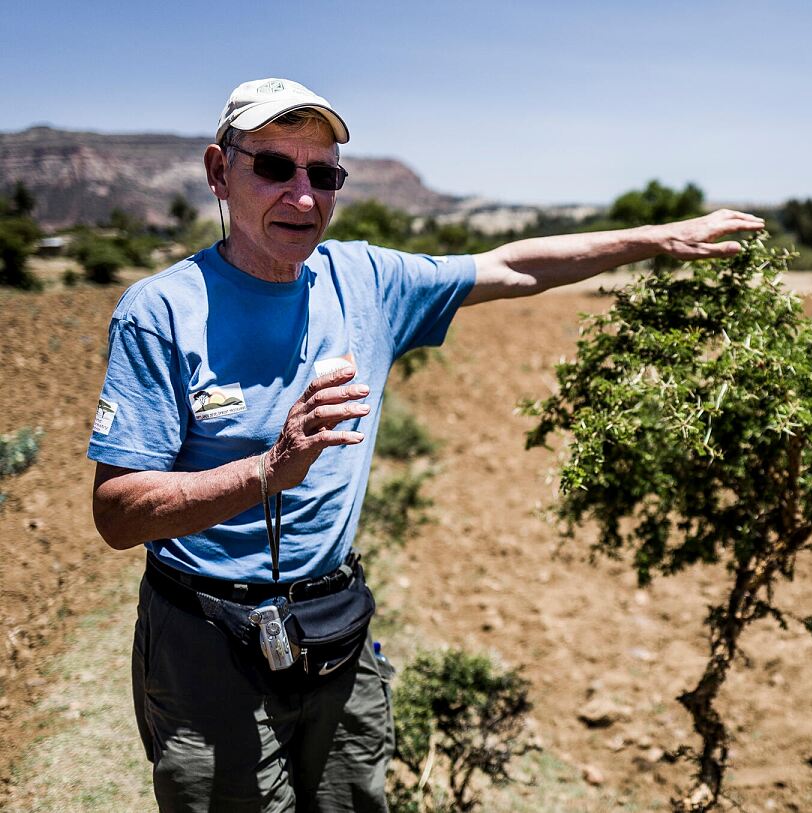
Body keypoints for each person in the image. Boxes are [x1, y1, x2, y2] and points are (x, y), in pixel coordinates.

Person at [88, 76, 764, 812]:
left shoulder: (369, 281)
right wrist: (269, 469)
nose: (303, 195)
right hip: (204, 644)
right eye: (275, 168)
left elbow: (513, 266)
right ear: (221, 171)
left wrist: (656, 239)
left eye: (323, 174)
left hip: (333, 632)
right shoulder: (160, 312)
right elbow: (119, 514)